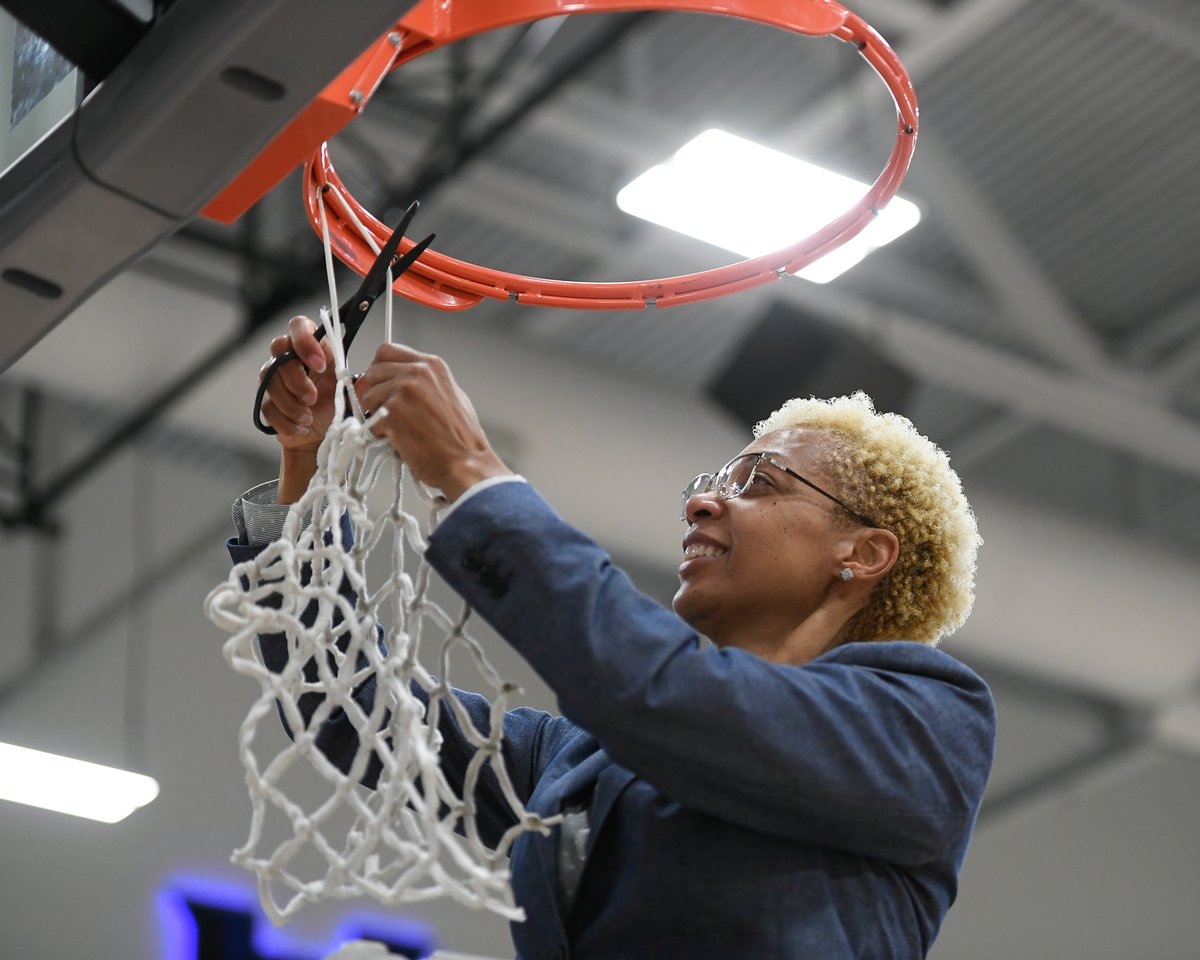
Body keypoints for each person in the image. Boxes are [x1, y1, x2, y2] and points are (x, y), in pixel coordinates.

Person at [229, 316, 996, 960]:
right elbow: (348, 706)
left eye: (757, 483)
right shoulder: (579, 763)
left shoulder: (930, 720)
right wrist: (311, 466)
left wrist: (472, 470)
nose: (703, 503)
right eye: (711, 483)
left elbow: (672, 697)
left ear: (862, 555)